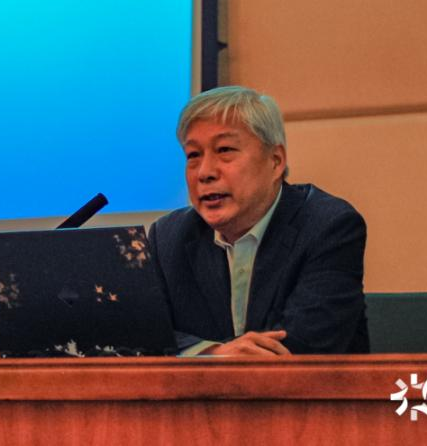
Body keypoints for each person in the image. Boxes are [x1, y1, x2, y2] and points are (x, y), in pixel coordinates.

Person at [148, 85, 369, 355]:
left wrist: (214, 356)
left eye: (224, 149)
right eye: (193, 155)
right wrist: (213, 353)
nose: (205, 172)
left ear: (275, 161)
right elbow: (140, 336)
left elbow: (302, 345)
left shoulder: (328, 226)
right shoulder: (168, 237)